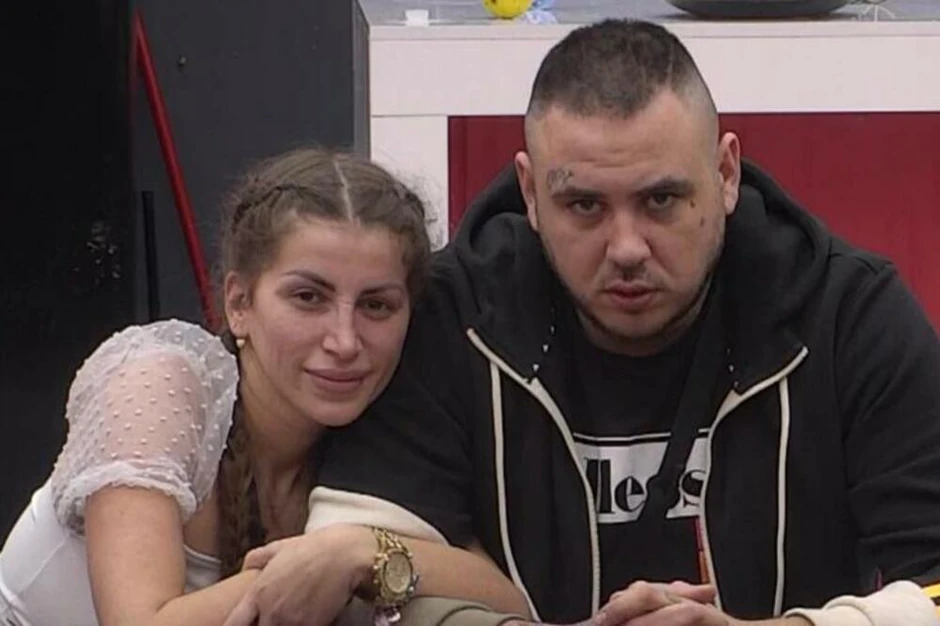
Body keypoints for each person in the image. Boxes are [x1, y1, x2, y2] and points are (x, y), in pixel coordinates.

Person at [247, 19, 940, 626]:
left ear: (726, 174)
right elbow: (346, 570)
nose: (627, 247)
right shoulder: (454, 317)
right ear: (530, 193)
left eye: (661, 200)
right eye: (584, 206)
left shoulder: (846, 313)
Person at [0, 147, 528, 626]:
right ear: (239, 304)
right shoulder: (163, 384)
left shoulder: (385, 419)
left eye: (376, 305)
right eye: (308, 297)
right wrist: (313, 567)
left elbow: (507, 602)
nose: (345, 341)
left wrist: (358, 551)